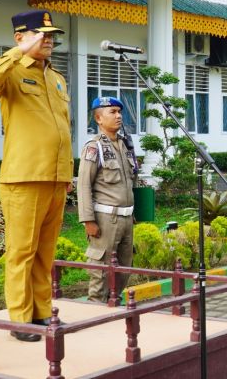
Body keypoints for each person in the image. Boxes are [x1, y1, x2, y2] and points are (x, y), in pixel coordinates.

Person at [0, 9, 72, 342]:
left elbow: (62, 128)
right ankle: (20, 319)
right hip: (24, 177)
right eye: (41, 35)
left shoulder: (56, 78)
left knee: (45, 252)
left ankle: (42, 313)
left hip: (56, 177)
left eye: (51, 36)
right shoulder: (12, 72)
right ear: (21, 37)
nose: (49, 41)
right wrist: (19, 51)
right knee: (21, 252)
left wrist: (67, 174)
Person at [78, 97, 140, 303]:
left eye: (119, 112)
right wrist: (88, 220)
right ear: (98, 118)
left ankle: (113, 304)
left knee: (124, 267)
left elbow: (130, 182)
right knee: (101, 271)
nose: (118, 116)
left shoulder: (124, 145)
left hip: (126, 218)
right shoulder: (94, 147)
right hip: (106, 219)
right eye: (112, 112)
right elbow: (84, 184)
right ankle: (95, 310)